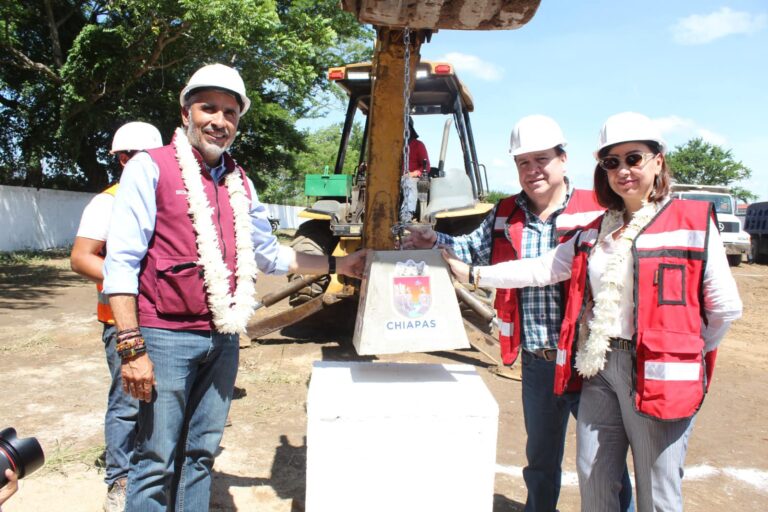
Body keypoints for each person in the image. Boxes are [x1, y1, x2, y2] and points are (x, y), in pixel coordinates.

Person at [441, 112, 742, 511]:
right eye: (611, 162)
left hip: (653, 367)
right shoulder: (599, 227)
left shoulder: (689, 220)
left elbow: (724, 307)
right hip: (593, 364)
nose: (623, 170)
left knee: (657, 486)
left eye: (633, 158)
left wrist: (684, 353)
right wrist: (472, 271)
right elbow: (545, 268)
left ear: (658, 160)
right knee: (593, 474)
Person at [102, 63, 367, 511]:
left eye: (230, 112)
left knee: (200, 454)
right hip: (165, 336)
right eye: (208, 108)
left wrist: (340, 263)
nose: (219, 121)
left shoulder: (239, 181)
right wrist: (132, 347)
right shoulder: (150, 168)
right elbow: (121, 262)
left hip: (223, 338)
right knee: (155, 459)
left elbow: (271, 256)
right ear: (186, 111)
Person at [402, 114, 632, 512]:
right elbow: (471, 247)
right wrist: (432, 237)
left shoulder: (597, 209)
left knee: (604, 462)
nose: (533, 170)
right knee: (540, 462)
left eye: (541, 159)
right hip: (538, 360)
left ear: (563, 159)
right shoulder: (507, 212)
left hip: (589, 362)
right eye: (523, 162)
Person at [70, 121, 163, 512]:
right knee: (127, 402)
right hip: (120, 321)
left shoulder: (161, 198)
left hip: (164, 321)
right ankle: (119, 480)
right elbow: (81, 257)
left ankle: (150, 474)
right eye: (138, 157)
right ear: (123, 159)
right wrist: (131, 282)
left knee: (156, 402)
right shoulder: (108, 201)